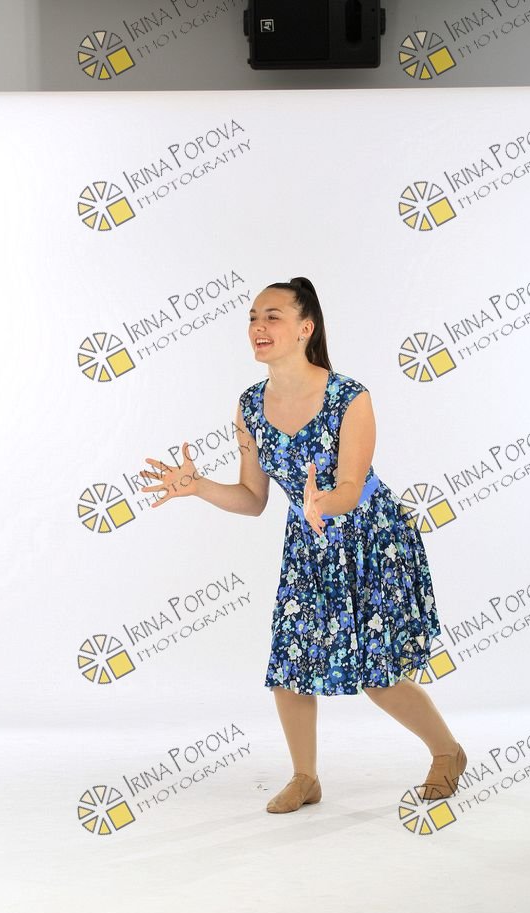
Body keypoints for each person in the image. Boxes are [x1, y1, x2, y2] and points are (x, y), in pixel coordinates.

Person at [139, 277, 467, 814]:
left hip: (370, 538)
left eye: (272, 316)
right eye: (252, 317)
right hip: (308, 545)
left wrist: (323, 504)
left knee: (377, 673)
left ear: (305, 328)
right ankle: (305, 777)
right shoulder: (249, 406)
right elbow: (252, 499)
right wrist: (197, 487)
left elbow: (351, 487)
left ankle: (448, 752)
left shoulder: (349, 397)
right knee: (290, 664)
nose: (258, 327)